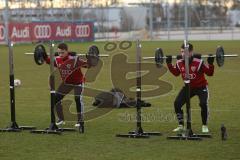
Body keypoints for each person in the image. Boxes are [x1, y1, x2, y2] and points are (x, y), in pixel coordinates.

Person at [166, 43, 214, 133]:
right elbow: (176, 73)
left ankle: (204, 125)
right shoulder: (179, 62)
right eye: (182, 52)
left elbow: (210, 73)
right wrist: (169, 64)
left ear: (191, 52)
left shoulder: (199, 62)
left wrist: (210, 63)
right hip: (188, 87)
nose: (183, 54)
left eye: (186, 52)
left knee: (203, 104)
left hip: (201, 87)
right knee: (177, 103)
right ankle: (181, 125)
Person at [44, 43, 90, 127]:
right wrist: (43, 56)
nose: (60, 54)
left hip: (78, 83)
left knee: (77, 99)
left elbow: (87, 65)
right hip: (66, 83)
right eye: (59, 53)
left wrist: (90, 59)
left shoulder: (74, 59)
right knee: (56, 98)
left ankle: (80, 120)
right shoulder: (57, 60)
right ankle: (61, 118)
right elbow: (48, 61)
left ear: (67, 51)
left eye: (62, 52)